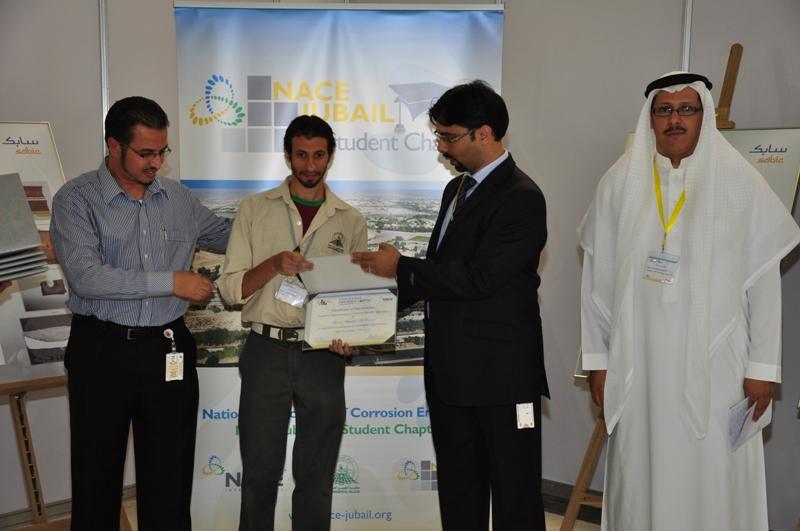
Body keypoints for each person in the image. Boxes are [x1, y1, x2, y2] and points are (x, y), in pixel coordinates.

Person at [579, 72, 800, 531]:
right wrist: (598, 360)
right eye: (664, 110)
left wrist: (762, 369)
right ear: (650, 118)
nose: (674, 119)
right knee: (642, 470)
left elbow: (763, 284)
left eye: (686, 109)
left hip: (717, 368)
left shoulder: (739, 181)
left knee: (712, 476)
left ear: (704, 116)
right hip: (638, 367)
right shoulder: (619, 182)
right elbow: (596, 281)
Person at [351, 80, 549, 531]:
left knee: (515, 497)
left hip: (501, 378)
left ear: (485, 133)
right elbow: (440, 277)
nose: (441, 146)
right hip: (450, 374)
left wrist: (401, 267)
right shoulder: (456, 189)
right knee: (460, 493)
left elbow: (479, 278)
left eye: (448, 136)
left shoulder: (522, 197)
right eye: (438, 135)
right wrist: (368, 318)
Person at [50, 96, 231, 531]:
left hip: (168, 349)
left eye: (162, 151)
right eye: (146, 153)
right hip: (102, 349)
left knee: (170, 480)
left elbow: (229, 236)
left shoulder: (178, 198)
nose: (157, 163)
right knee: (96, 479)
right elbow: (87, 277)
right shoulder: (76, 199)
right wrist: (171, 281)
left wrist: (286, 217)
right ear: (114, 146)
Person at [216, 115, 367, 531]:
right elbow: (230, 290)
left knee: (317, 478)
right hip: (265, 350)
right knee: (260, 474)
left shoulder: (351, 220)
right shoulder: (253, 209)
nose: (310, 165)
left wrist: (351, 338)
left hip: (322, 355)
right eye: (302, 155)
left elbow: (355, 299)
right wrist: (273, 265)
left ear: (330, 157)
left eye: (318, 155)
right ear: (287, 156)